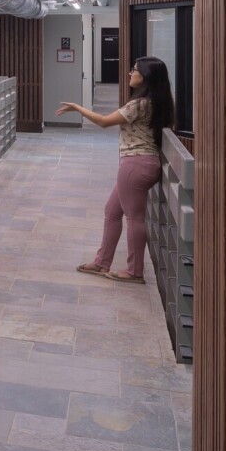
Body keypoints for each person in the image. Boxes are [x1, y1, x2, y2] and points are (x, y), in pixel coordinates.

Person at [56, 56, 177, 283]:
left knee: (134, 218)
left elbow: (103, 121)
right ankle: (102, 262)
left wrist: (77, 107)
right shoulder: (159, 102)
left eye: (135, 70)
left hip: (136, 163)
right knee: (112, 211)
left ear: (146, 77)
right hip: (142, 163)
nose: (131, 73)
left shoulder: (139, 104)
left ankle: (134, 271)